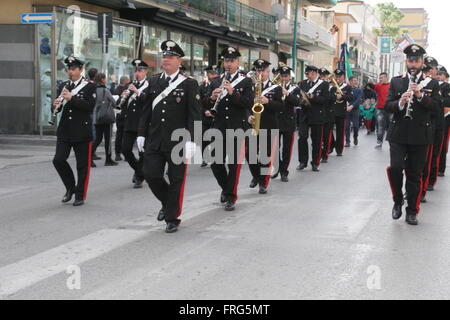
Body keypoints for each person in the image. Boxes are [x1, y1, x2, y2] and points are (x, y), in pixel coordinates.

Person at [137, 40, 201, 233]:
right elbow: (146, 110)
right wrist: (141, 134)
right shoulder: (155, 81)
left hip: (178, 141)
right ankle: (167, 203)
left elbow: (195, 114)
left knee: (176, 179)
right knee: (151, 174)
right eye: (164, 56)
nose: (166, 59)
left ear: (179, 61)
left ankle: (172, 218)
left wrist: (193, 140)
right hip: (155, 139)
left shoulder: (190, 84)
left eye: (170, 57)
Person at [385, 44, 440, 225]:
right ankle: (398, 200)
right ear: (406, 61)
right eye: (410, 60)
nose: (413, 64)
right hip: (398, 133)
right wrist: (399, 103)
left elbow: (437, 108)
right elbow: (387, 105)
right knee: (395, 168)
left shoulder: (431, 83)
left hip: (420, 135)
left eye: (417, 61)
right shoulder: (396, 81)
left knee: (415, 175)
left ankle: (412, 211)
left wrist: (420, 96)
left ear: (422, 61)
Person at [207, 46, 253, 211]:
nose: (228, 64)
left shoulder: (246, 81)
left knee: (234, 164)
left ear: (238, 62)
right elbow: (205, 103)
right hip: (219, 127)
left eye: (232, 61)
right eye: (226, 60)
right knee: (214, 161)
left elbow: (249, 103)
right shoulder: (215, 81)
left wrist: (233, 93)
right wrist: (212, 98)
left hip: (237, 127)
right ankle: (226, 189)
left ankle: (231, 197)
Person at [51, 56, 97, 207]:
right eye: (68, 69)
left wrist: (72, 98)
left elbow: (89, 106)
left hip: (81, 130)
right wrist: (55, 105)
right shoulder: (64, 85)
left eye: (73, 69)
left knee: (82, 165)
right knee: (58, 159)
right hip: (65, 130)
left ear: (80, 69)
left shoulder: (90, 86)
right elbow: (57, 109)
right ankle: (70, 187)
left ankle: (79, 194)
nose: (70, 71)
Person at [247, 59, 283, 193]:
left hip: (269, 125)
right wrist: (248, 116)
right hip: (253, 124)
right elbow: (245, 106)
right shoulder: (249, 87)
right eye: (258, 70)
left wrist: (268, 101)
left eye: (263, 70)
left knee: (265, 156)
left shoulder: (276, 88)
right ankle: (256, 175)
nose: (260, 73)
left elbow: (281, 107)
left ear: (268, 72)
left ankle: (263, 182)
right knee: (250, 154)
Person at [121, 59, 149, 189]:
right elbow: (125, 105)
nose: (137, 73)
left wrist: (137, 92)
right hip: (130, 122)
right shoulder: (131, 85)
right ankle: (140, 170)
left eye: (140, 71)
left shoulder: (150, 85)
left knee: (142, 152)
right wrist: (124, 96)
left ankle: (139, 176)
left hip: (143, 123)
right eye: (136, 71)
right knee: (125, 149)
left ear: (145, 72)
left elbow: (148, 100)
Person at [297, 65, 330, 172]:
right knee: (302, 137)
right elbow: (299, 97)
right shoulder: (303, 83)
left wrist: (313, 97)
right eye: (306, 73)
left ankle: (315, 162)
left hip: (317, 114)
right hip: (304, 114)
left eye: (309, 73)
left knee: (316, 140)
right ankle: (302, 161)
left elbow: (326, 100)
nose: (307, 75)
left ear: (315, 73)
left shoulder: (324, 84)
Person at [271, 66, 301, 181]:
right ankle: (277, 168)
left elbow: (297, 102)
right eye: (282, 76)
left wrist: (287, 93)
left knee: (287, 149)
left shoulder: (295, 88)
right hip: (276, 120)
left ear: (289, 76)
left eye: (286, 76)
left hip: (288, 121)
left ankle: (284, 172)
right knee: (275, 147)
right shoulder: (274, 87)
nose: (284, 78)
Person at [420, 56, 443, 202]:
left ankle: (426, 184)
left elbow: (438, 108)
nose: (433, 71)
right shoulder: (415, 82)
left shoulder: (436, 85)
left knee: (430, 157)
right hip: (417, 126)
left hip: (433, 126)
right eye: (432, 69)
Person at [91, 73, 119, 167]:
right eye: (105, 78)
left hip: (97, 118)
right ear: (102, 79)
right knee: (108, 139)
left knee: (98, 138)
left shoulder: (93, 89)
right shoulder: (105, 90)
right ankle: (108, 159)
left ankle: (89, 156)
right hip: (106, 118)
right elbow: (114, 102)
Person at [200, 65, 220, 168]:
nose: (212, 75)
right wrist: (205, 111)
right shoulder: (202, 86)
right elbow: (201, 102)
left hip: (216, 116)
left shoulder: (219, 83)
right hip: (206, 116)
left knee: (214, 137)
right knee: (204, 138)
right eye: (210, 73)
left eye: (214, 73)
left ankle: (215, 155)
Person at [330, 69, 354, 157]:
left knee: (340, 132)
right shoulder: (331, 85)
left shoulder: (347, 87)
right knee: (329, 130)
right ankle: (331, 145)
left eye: (339, 77)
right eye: (336, 76)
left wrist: (342, 96)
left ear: (343, 77)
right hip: (331, 111)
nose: (337, 78)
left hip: (341, 112)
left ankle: (339, 150)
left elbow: (351, 97)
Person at [112, 75, 130, 161]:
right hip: (126, 114)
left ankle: (117, 154)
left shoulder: (116, 89)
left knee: (119, 135)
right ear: (126, 82)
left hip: (119, 114)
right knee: (125, 136)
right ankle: (126, 154)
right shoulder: (127, 89)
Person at [318, 68, 335, 163]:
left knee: (326, 136)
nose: (322, 78)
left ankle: (325, 154)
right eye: (321, 76)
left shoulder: (331, 87)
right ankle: (319, 154)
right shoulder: (317, 87)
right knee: (318, 137)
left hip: (328, 115)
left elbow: (332, 99)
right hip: (318, 115)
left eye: (324, 76)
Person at [438, 67, 450, 177]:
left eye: (441, 75)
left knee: (442, 144)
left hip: (445, 117)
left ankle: (441, 168)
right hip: (435, 118)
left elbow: (448, 102)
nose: (438, 76)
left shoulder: (447, 86)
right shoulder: (434, 84)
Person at [374, 72, 391, 149]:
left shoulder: (391, 86)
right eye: (379, 78)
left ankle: (392, 143)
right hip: (380, 109)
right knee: (380, 126)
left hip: (390, 109)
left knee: (391, 127)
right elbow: (370, 87)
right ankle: (379, 142)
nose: (380, 79)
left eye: (381, 78)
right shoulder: (378, 86)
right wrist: (370, 83)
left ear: (386, 77)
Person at [345, 76, 362, 147]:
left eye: (356, 80)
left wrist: (352, 106)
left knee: (355, 126)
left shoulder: (359, 90)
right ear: (350, 81)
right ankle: (347, 141)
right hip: (347, 109)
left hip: (355, 109)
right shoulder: (346, 89)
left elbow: (358, 100)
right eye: (354, 80)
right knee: (347, 126)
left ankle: (355, 137)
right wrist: (347, 106)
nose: (356, 82)